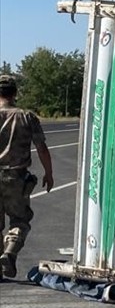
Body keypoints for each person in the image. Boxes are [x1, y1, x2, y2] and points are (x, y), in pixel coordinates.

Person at [0, 73, 54, 279]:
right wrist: (48, 173)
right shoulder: (26, 116)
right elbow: (41, 148)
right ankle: (9, 252)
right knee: (20, 220)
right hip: (15, 176)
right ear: (14, 93)